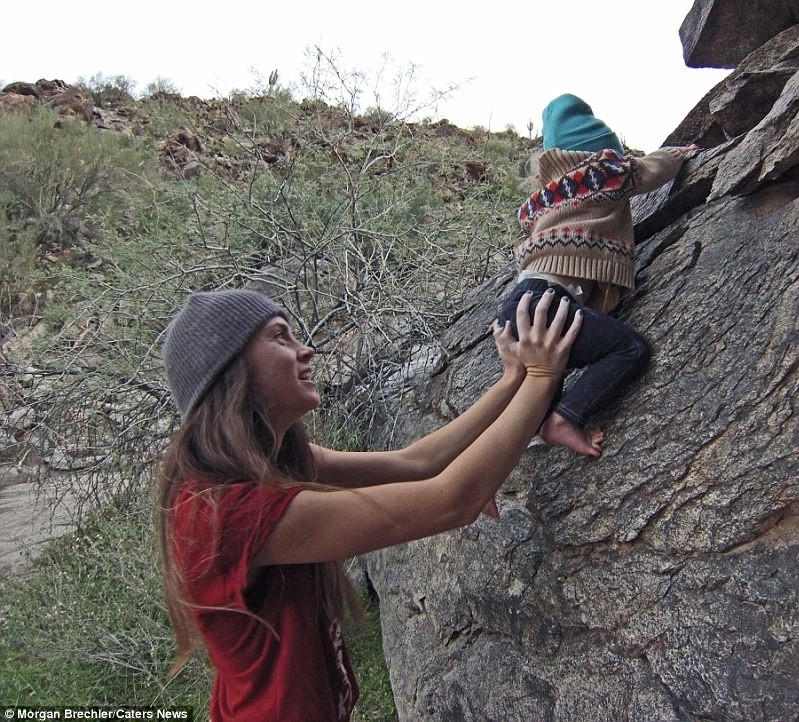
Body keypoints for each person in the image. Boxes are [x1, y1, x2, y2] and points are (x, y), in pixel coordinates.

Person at [157, 287, 580, 722]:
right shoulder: (223, 511)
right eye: (280, 337)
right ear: (231, 371)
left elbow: (415, 462)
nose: (306, 349)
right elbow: (452, 500)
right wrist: (542, 380)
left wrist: (512, 380)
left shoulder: (275, 457)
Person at [499, 93, 698, 457]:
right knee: (629, 348)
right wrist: (676, 154)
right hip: (548, 303)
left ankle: (486, 475)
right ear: (601, 151)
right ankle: (563, 420)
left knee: (535, 399)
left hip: (517, 305)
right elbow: (648, 171)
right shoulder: (602, 174)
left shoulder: (544, 198)